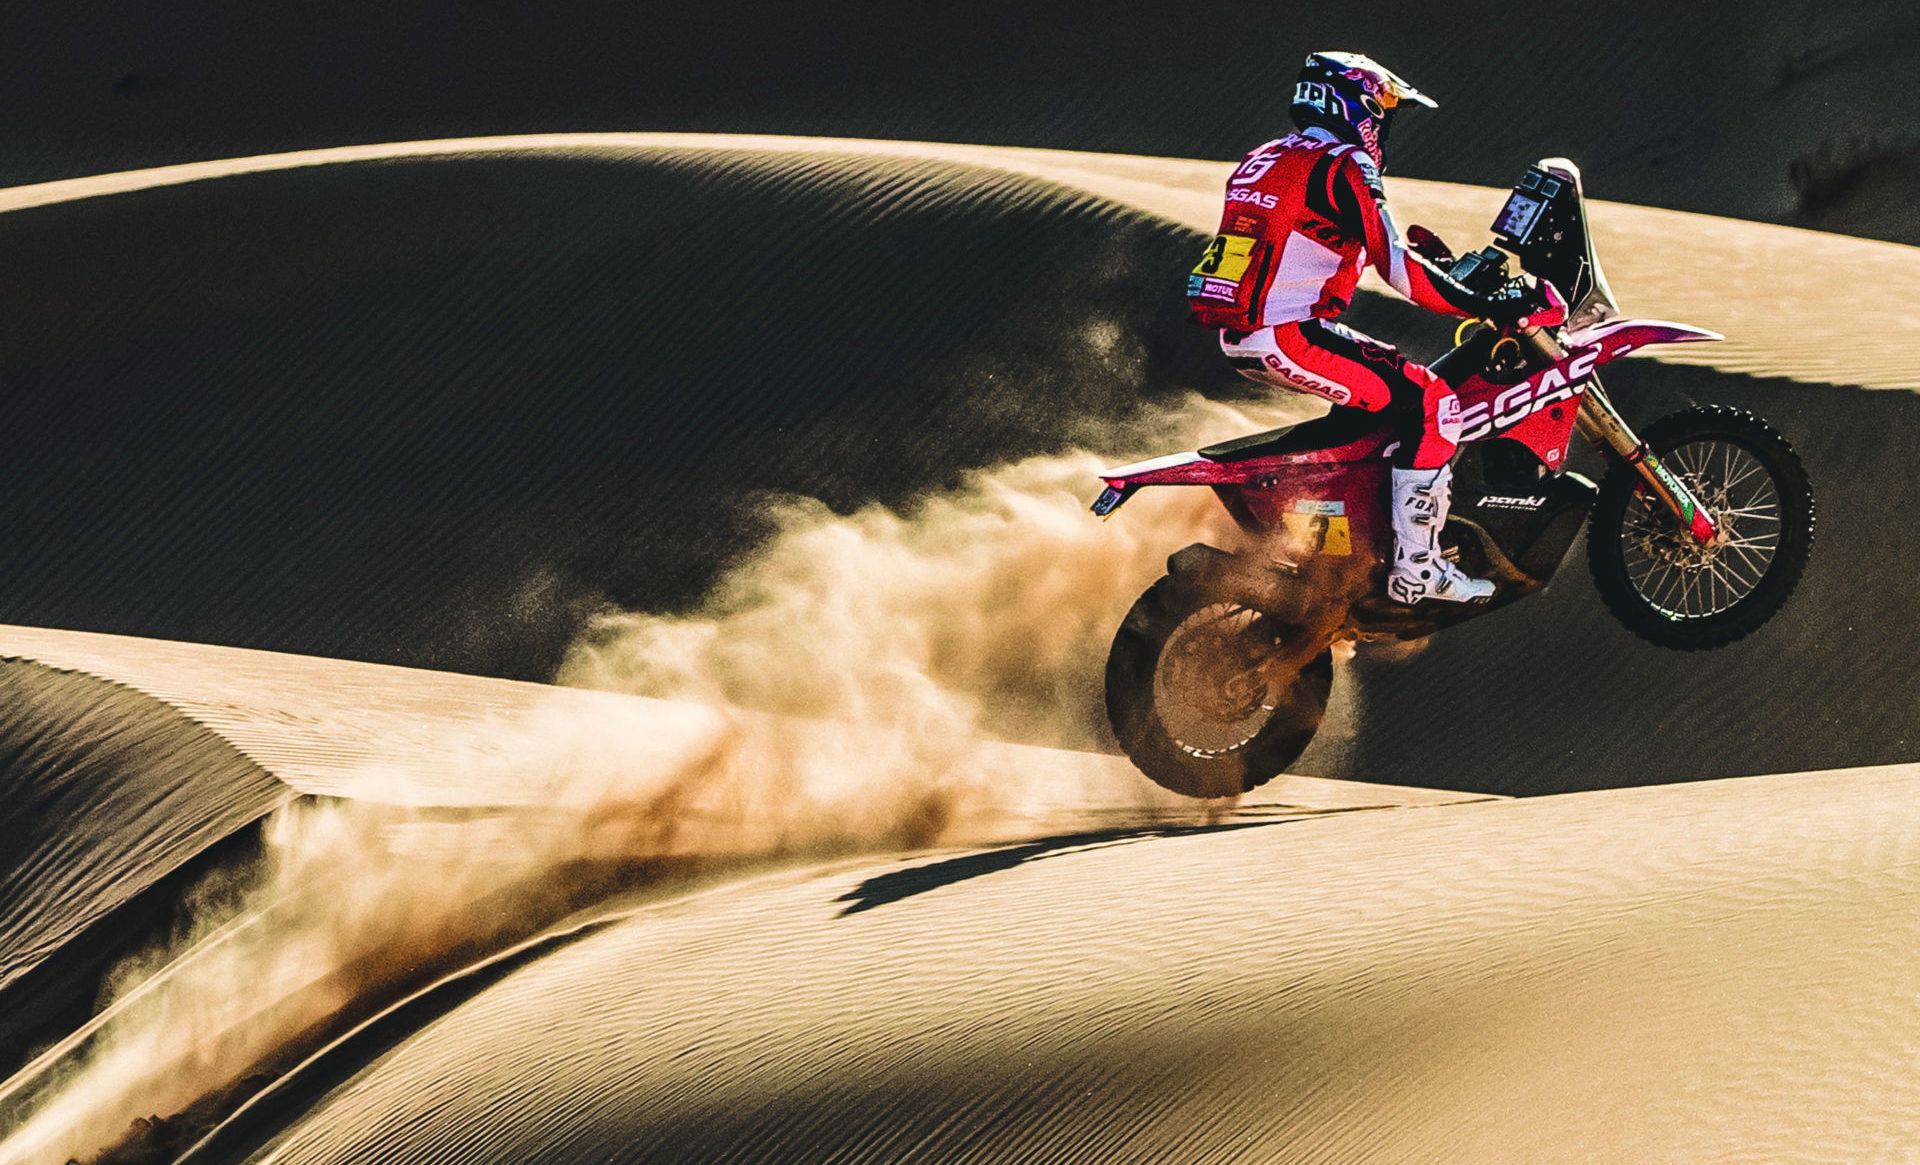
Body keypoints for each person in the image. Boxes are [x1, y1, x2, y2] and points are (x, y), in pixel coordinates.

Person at [1188, 51, 1524, 604]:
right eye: (1385, 110)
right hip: (1289, 334)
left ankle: (1350, 541)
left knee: (1375, 412)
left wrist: (1425, 264)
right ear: (1360, 105)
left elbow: (1298, 243)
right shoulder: (1344, 163)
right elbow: (1402, 273)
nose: (1386, 125)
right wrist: (1478, 304)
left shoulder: (1267, 157)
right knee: (1434, 403)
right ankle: (1419, 568)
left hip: (1246, 335)